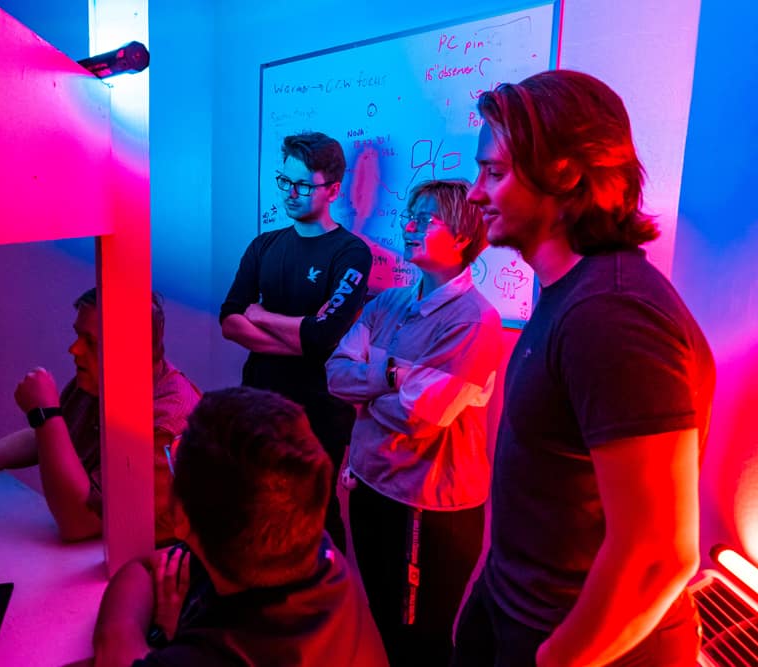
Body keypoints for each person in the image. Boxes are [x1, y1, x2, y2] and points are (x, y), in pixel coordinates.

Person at [450, 70, 716, 667]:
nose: (474, 193)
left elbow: (657, 557)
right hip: (520, 615)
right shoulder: (573, 293)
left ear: (565, 174)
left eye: (493, 172)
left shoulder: (611, 314)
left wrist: (555, 659)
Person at [326, 179, 502, 666]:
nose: (407, 227)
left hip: (426, 507)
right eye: (410, 214)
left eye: (425, 220)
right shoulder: (388, 304)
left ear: (464, 234)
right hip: (370, 489)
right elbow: (334, 375)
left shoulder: (473, 320)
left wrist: (370, 395)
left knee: (419, 644)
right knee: (386, 625)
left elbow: (419, 417)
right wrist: (392, 377)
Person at [91, 386, 388, 667]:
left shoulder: (215, 657)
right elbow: (145, 569)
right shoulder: (309, 549)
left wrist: (159, 640)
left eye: (177, 456)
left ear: (181, 517)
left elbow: (113, 649)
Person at [0, 289, 201, 544]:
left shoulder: (170, 422)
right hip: (91, 554)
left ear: (130, 351)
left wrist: (45, 412)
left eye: (90, 342)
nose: (74, 349)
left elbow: (80, 524)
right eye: (77, 336)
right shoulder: (101, 380)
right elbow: (46, 437)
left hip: (147, 571)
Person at [220, 131, 372, 551]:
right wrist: (304, 338)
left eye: (303, 185)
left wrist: (264, 315)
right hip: (260, 400)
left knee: (314, 513)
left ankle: (329, 605)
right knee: (258, 504)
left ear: (333, 190)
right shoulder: (264, 245)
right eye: (284, 181)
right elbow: (230, 320)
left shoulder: (351, 253)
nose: (290, 193)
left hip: (320, 411)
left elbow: (324, 336)